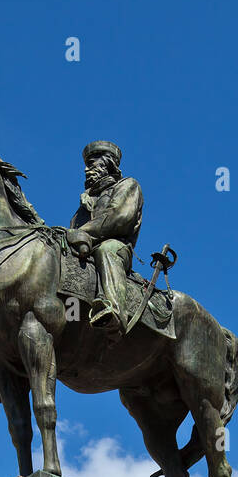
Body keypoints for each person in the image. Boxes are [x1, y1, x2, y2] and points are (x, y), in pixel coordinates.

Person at [66, 140, 143, 335]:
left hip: (117, 249)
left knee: (106, 249)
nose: (85, 169)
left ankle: (114, 314)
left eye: (91, 163)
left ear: (107, 163)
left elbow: (120, 217)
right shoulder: (83, 204)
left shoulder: (128, 185)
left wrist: (83, 233)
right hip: (85, 251)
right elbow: (73, 231)